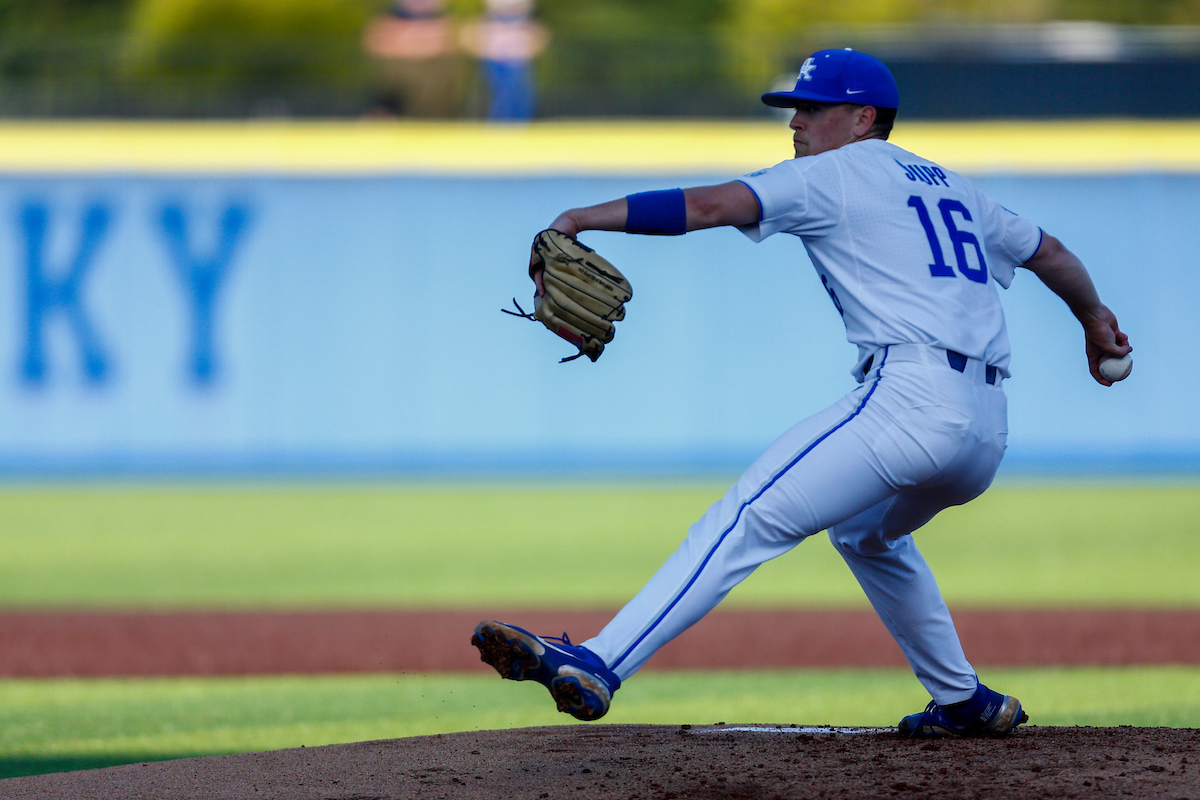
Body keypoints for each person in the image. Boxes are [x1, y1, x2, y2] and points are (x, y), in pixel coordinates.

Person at [472, 48, 1132, 737]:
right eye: (794, 110)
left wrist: (580, 217)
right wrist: (1093, 318)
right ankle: (963, 699)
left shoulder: (833, 175)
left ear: (862, 118)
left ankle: (601, 661)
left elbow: (708, 205)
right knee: (866, 534)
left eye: (812, 109)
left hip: (911, 399)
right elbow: (1050, 254)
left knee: (747, 515)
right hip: (987, 428)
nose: (797, 123)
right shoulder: (956, 187)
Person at [460, 0, 549, 121]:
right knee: (497, 93)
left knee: (519, 93)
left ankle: (519, 121)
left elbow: (538, 38)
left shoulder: (524, 23)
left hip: (518, 61)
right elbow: (473, 39)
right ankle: (498, 121)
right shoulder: (488, 21)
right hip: (495, 60)